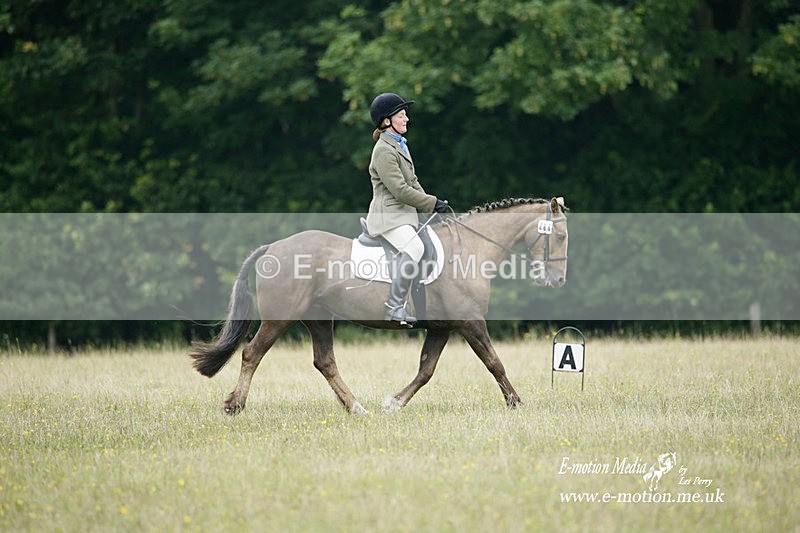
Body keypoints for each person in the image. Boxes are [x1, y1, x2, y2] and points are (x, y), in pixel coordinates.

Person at [365, 92, 450, 326]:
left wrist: (433, 209)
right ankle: (394, 307)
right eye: (401, 115)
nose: (407, 119)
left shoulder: (399, 145)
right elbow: (400, 190)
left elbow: (413, 182)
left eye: (405, 115)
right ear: (386, 121)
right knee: (415, 247)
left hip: (404, 216)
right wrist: (432, 202)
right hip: (388, 217)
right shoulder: (383, 150)